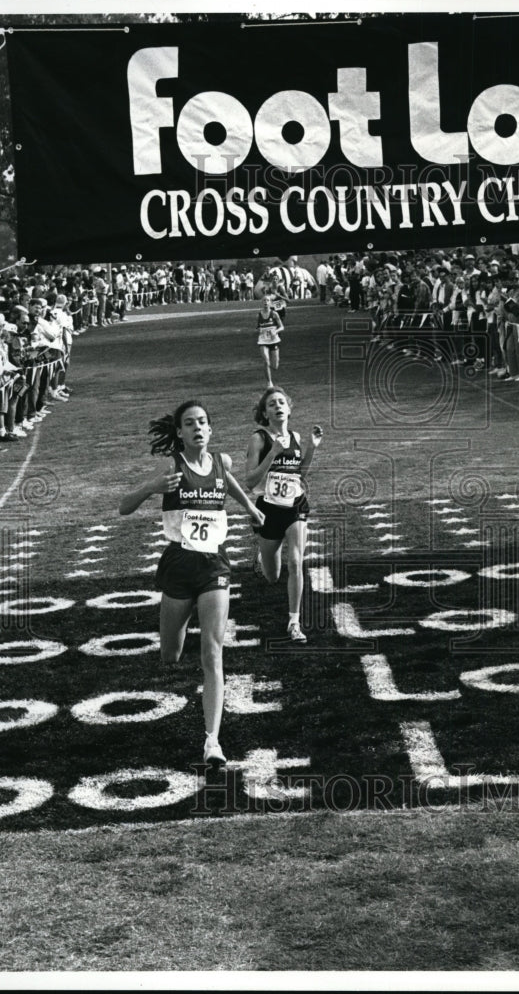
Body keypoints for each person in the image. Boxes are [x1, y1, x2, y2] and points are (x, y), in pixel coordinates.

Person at [119, 400, 265, 766]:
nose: (197, 427)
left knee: (213, 652)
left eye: (202, 422)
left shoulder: (221, 461)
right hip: (178, 564)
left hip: (214, 564)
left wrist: (250, 507)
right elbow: (124, 507)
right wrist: (152, 487)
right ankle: (174, 644)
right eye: (190, 423)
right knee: (171, 654)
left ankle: (212, 742)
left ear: (210, 429)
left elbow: (227, 481)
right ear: (180, 432)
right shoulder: (170, 467)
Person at [245, 387, 323, 642]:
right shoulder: (259, 439)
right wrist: (273, 453)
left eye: (281, 402)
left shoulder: (297, 437)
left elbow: (300, 476)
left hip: (295, 507)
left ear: (289, 408)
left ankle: (294, 622)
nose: (277, 406)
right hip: (268, 511)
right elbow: (250, 481)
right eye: (271, 404)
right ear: (265, 413)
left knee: (296, 561)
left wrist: (311, 448)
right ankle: (262, 554)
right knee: (272, 575)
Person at [255, 294, 285, 387]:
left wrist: (275, 331)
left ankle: (269, 369)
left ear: (270, 303)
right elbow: (257, 327)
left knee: (275, 366)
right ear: (261, 303)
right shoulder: (258, 315)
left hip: (274, 340)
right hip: (263, 341)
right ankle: (269, 382)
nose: (265, 302)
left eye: (267, 300)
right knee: (266, 361)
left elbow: (282, 327)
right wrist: (259, 330)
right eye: (264, 300)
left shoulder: (274, 314)